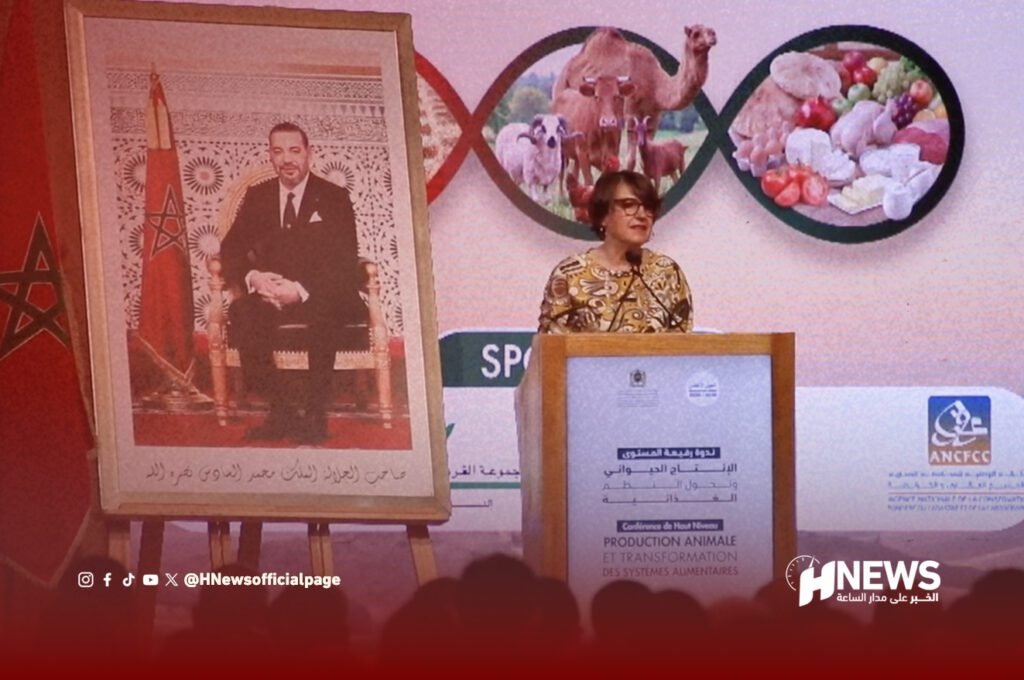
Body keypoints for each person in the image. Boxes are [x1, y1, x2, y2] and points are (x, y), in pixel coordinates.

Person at [221, 122, 367, 443]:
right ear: (270, 156)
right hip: (271, 294)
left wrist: (300, 291)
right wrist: (254, 278)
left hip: (322, 292)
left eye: (294, 150)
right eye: (278, 151)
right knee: (243, 313)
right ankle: (281, 411)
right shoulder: (258, 196)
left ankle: (315, 418)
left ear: (309, 153)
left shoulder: (334, 197)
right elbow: (230, 249)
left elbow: (344, 261)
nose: (286, 159)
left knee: (324, 313)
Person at [538, 170, 693, 333]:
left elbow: (684, 342)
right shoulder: (569, 275)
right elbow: (550, 344)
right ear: (604, 215)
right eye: (629, 205)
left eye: (649, 207)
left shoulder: (667, 272)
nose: (642, 215)